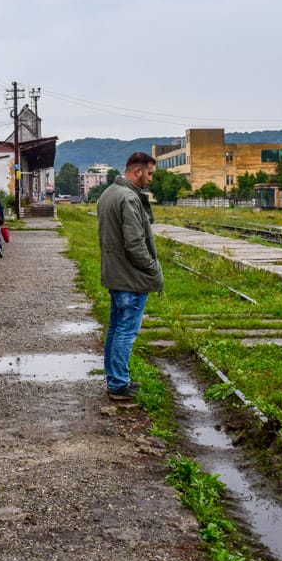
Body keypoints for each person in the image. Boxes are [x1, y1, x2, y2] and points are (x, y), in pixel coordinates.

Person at [96, 152, 163, 401]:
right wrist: (151, 267)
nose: (150, 179)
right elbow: (135, 243)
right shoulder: (128, 198)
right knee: (125, 331)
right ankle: (119, 385)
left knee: (115, 329)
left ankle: (116, 380)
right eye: (150, 173)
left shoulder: (109, 194)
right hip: (130, 278)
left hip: (116, 274)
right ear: (137, 171)